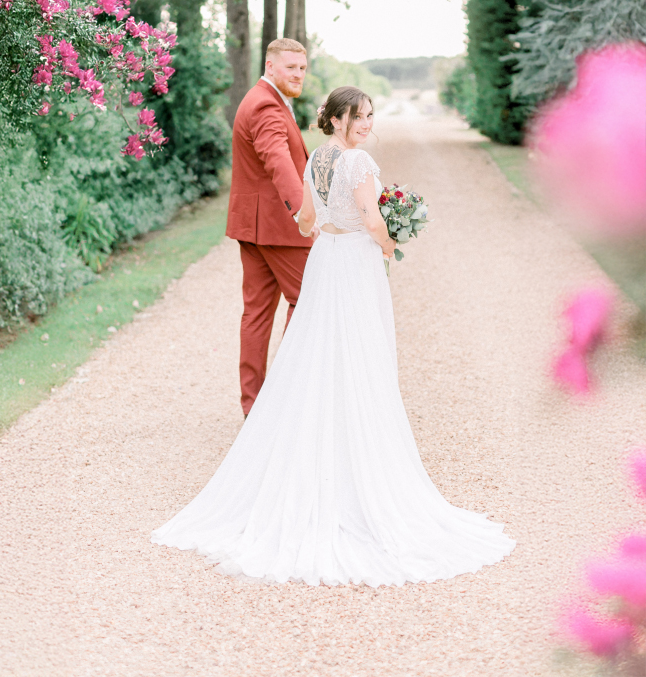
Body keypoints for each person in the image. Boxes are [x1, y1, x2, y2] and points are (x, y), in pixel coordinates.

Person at [152, 86, 515, 587]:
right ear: (339, 118)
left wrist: (329, 227)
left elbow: (305, 220)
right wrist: (389, 241)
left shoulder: (316, 159)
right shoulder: (357, 161)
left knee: (319, 351)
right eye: (360, 116)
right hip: (354, 265)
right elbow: (369, 218)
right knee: (358, 354)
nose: (367, 123)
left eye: (370, 115)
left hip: (325, 259)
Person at [225, 37, 317, 418]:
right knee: (309, 301)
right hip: (280, 228)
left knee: (257, 314)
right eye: (291, 67)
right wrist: (304, 215)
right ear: (270, 66)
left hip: (255, 227)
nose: (298, 74)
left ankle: (255, 408)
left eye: (302, 68)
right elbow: (277, 160)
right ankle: (284, 398)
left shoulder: (265, 99)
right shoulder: (265, 104)